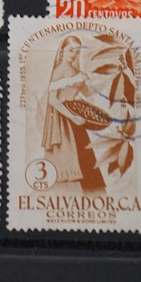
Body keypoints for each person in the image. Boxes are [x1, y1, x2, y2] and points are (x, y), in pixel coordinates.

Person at [41, 36, 106, 192]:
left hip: (77, 115)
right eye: (71, 50)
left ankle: (92, 190)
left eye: (77, 51)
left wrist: (105, 78)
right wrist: (73, 117)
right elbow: (52, 100)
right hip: (63, 119)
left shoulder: (78, 72)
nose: (74, 54)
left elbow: (88, 92)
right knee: (68, 156)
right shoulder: (58, 71)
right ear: (62, 50)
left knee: (85, 154)